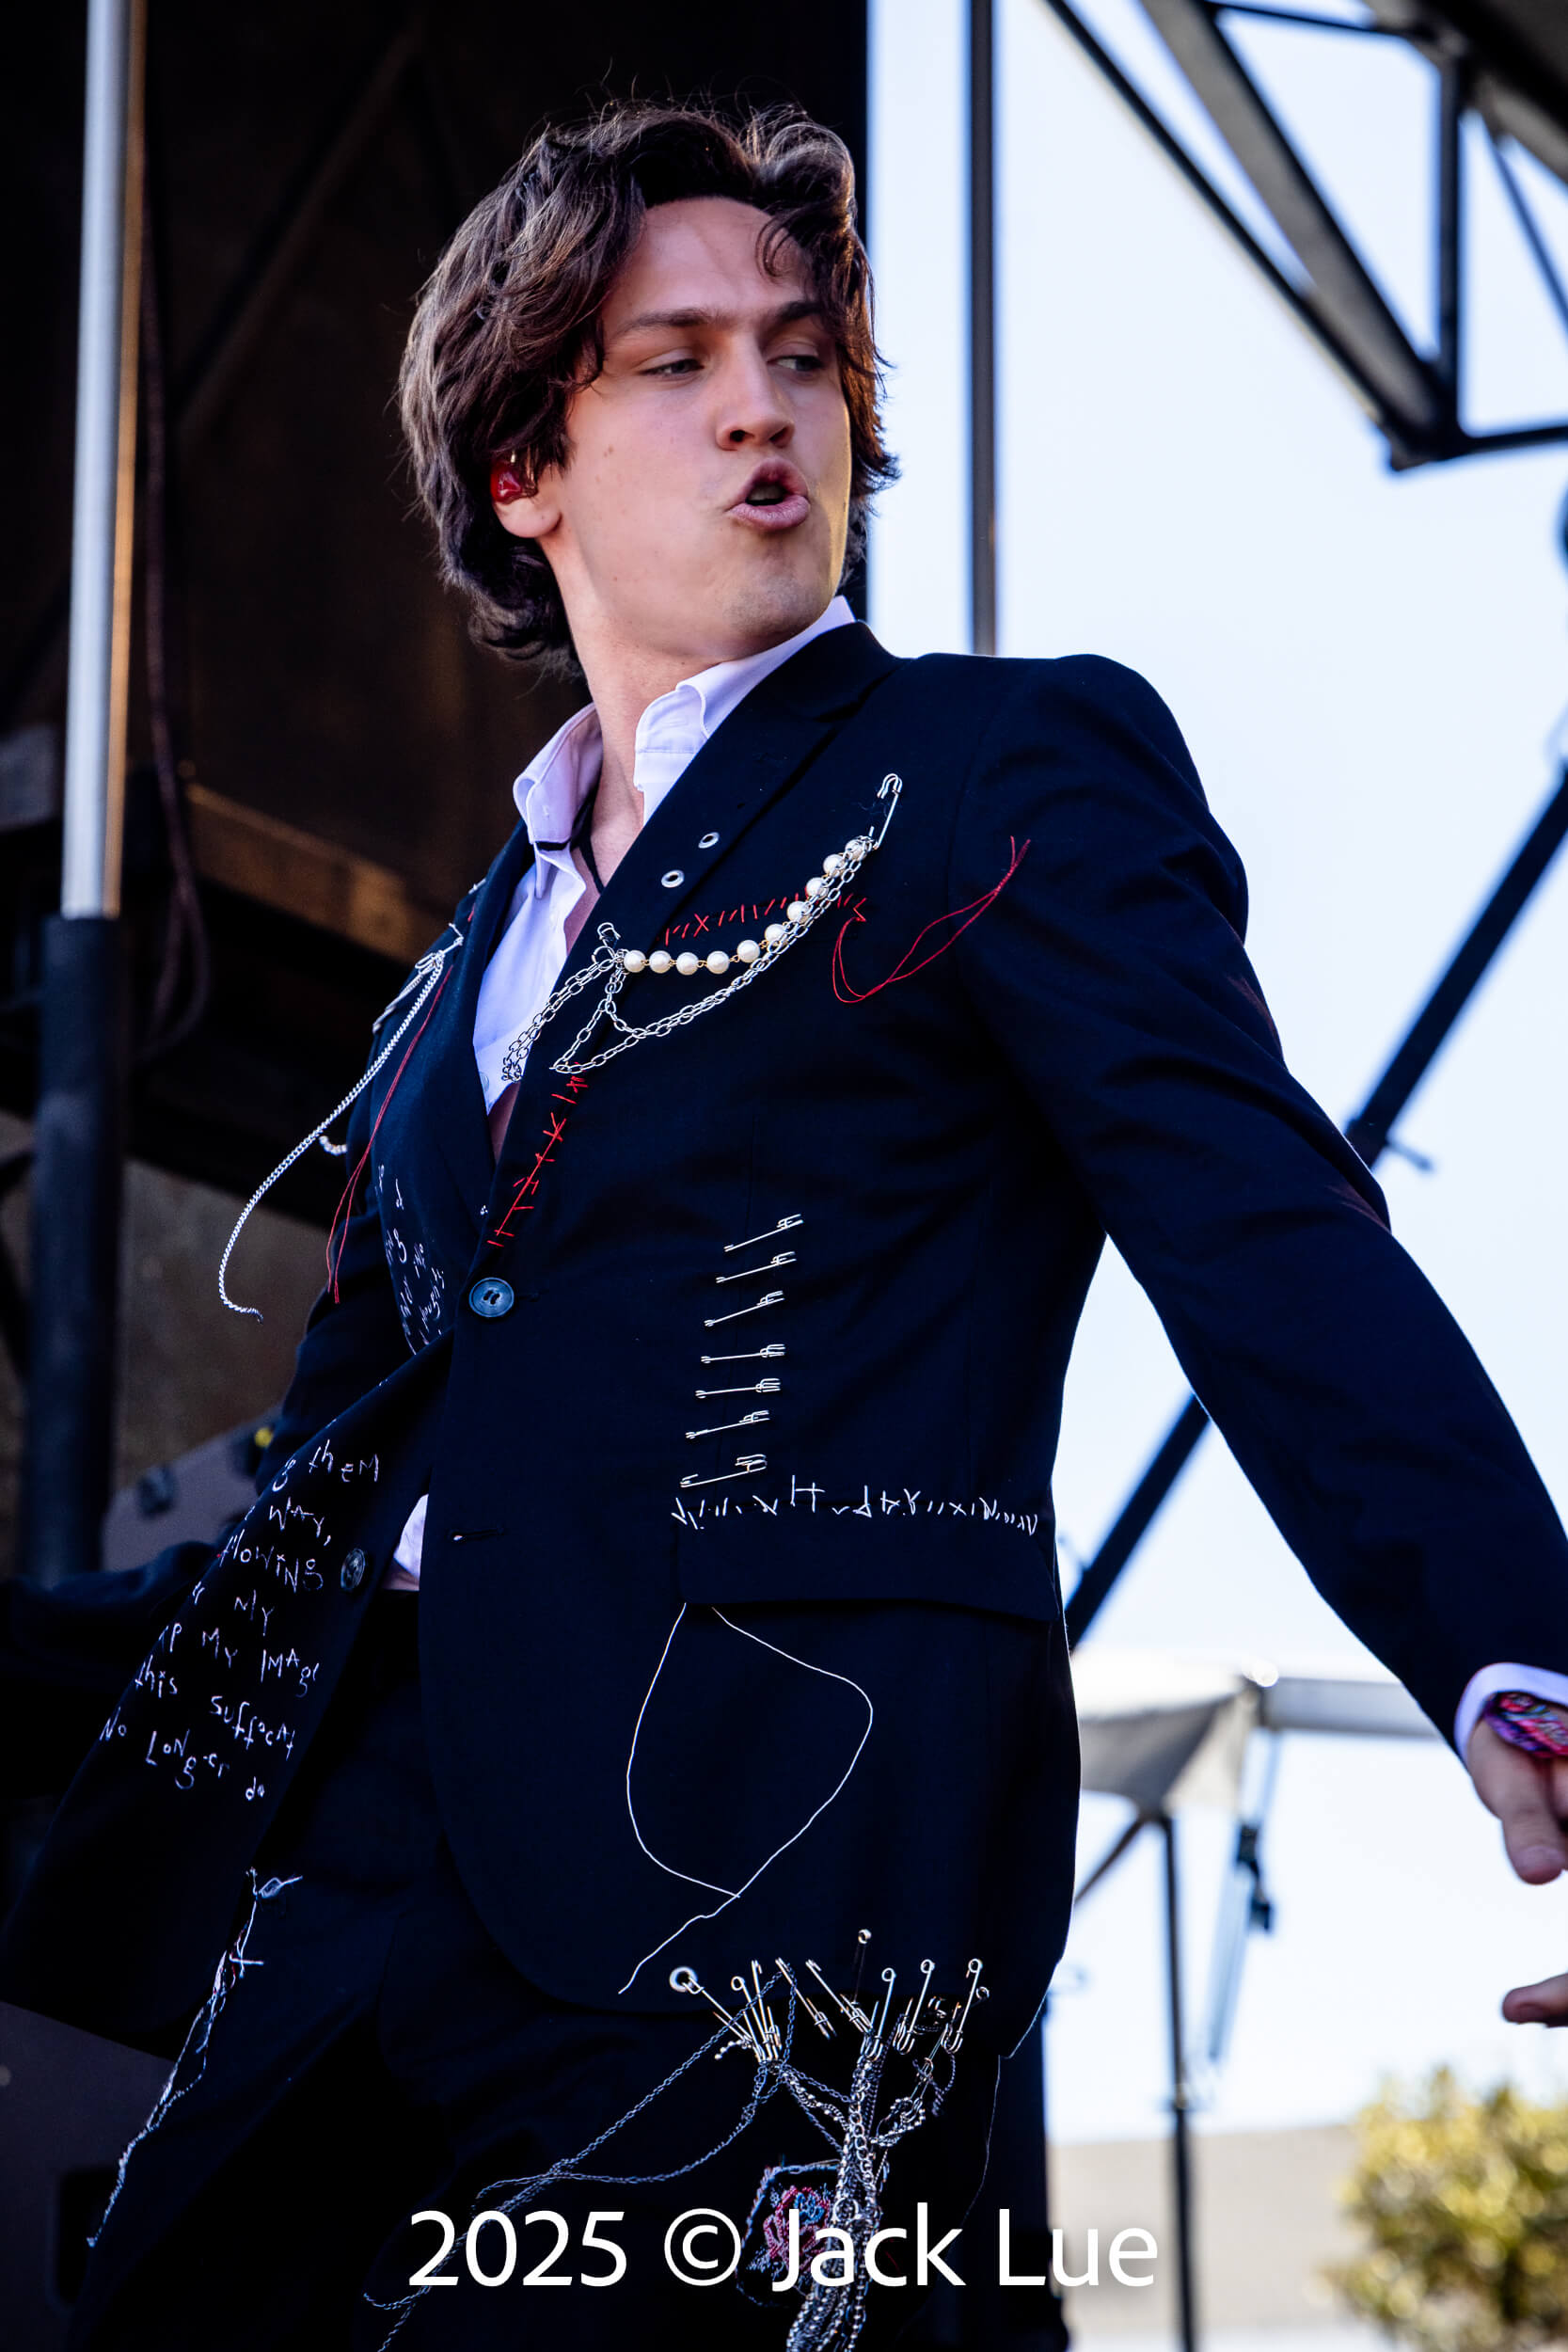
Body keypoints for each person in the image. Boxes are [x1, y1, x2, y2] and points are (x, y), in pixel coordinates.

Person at [5, 96, 1568, 2352]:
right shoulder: (467, 968)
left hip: (757, 1893)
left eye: (805, 353)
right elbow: (328, 1506)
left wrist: (1515, 1644)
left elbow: (1263, 1226)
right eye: (677, 360)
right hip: (348, 1907)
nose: (766, 404)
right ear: (521, 469)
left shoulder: (997, 773)